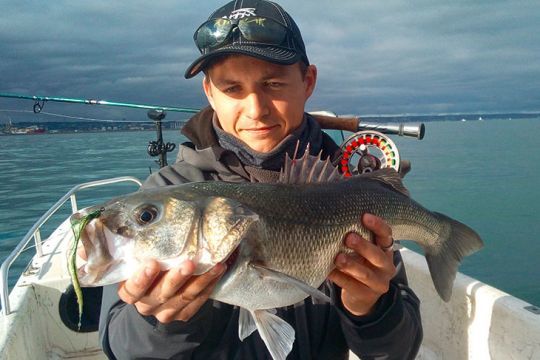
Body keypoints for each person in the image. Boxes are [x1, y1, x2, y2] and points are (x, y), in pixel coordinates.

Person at [98, 0, 423, 358]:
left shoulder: (348, 189)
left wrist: (372, 307)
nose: (256, 109)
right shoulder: (166, 194)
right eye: (232, 88)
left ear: (308, 82)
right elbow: (121, 347)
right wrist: (162, 323)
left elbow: (399, 352)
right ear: (209, 92)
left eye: (273, 83)